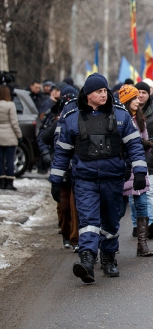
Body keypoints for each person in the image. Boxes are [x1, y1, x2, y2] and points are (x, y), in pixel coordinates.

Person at [49, 73, 147, 283]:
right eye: (99, 91)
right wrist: (56, 181)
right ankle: (86, 259)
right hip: (85, 180)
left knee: (111, 221)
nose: (104, 95)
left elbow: (135, 146)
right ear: (88, 94)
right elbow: (62, 152)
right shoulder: (72, 118)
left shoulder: (120, 116)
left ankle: (109, 258)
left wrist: (139, 171)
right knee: (88, 220)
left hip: (113, 178)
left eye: (105, 91)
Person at [37, 85, 79, 249]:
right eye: (65, 99)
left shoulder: (79, 116)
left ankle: (75, 239)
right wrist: (46, 154)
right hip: (60, 167)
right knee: (63, 207)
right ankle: (66, 235)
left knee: (75, 207)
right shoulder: (53, 115)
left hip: (76, 168)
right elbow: (43, 137)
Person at [117, 85, 153, 257]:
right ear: (125, 101)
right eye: (133, 98)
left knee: (142, 204)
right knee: (116, 207)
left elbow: (143, 141)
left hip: (138, 167)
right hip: (122, 166)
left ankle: (142, 244)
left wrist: (146, 144)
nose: (138, 100)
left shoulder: (140, 119)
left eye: (138, 97)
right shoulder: (119, 118)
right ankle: (110, 244)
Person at [135, 81, 153, 236]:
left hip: (151, 158)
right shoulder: (129, 111)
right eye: (138, 92)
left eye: (144, 92)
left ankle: (152, 223)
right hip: (134, 159)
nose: (141, 95)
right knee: (134, 195)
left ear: (149, 94)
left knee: (150, 191)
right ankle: (136, 224)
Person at [0, 85, 22, 190]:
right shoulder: (10, 105)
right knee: (9, 160)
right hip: (9, 136)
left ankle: (1, 182)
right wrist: (19, 135)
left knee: (0, 160)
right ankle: (9, 182)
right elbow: (14, 123)